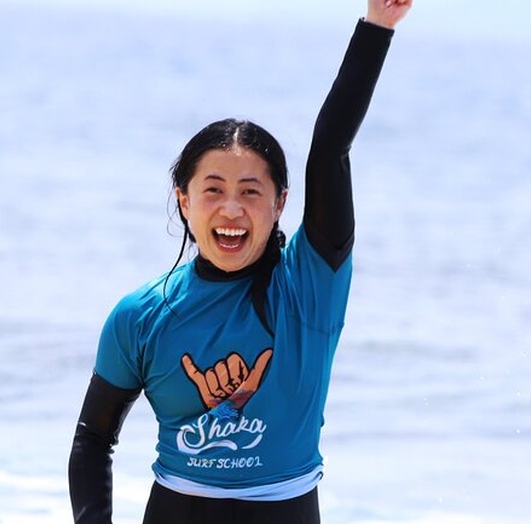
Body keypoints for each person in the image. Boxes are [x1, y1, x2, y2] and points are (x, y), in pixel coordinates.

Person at [69, 1, 412, 522]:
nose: (231, 209)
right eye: (213, 190)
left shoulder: (308, 285)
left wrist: (377, 25)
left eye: (251, 191)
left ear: (280, 204)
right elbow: (93, 439)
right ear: (184, 201)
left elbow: (329, 150)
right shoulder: (140, 316)